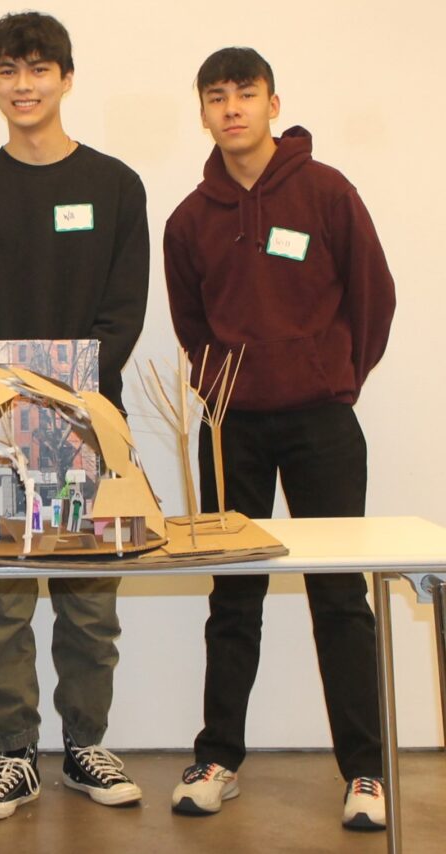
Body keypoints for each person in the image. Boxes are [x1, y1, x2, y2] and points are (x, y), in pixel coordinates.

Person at [164, 47, 395, 831]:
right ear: (202, 112)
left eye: (246, 93)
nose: (231, 108)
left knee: (340, 595)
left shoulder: (327, 191)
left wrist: (335, 377)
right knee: (233, 596)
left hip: (321, 421)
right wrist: (222, 389)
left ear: (273, 103)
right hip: (231, 427)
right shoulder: (188, 220)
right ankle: (217, 759)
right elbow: (191, 324)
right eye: (216, 96)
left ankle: (366, 771)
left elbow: (374, 297)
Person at [0, 11, 149, 820]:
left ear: (66, 77)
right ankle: (14, 754)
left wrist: (69, 397)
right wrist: (12, 401)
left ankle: (86, 746)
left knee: (90, 600)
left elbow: (124, 310)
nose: (24, 85)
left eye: (38, 69)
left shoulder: (116, 187)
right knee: (2, 600)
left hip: (92, 425)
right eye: (8, 71)